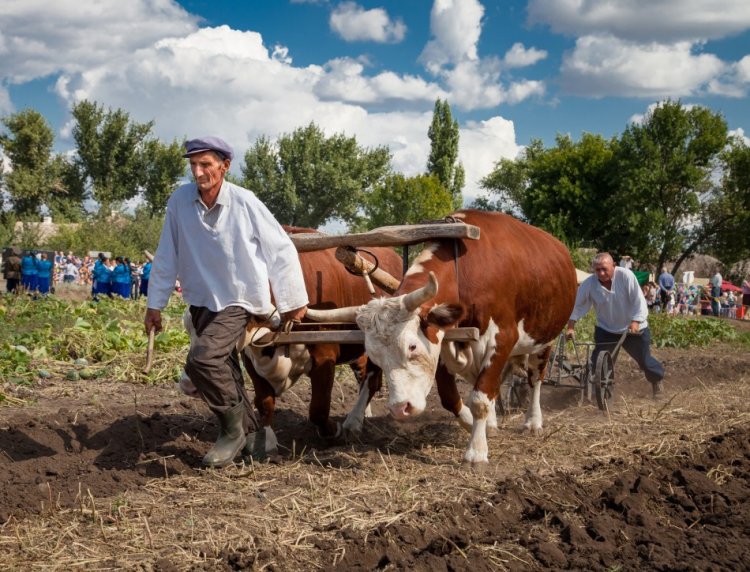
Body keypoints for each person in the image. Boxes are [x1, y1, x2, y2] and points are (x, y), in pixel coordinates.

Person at [144, 136, 308, 468]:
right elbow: (166, 254)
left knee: (201, 361)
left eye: (206, 164)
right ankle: (258, 440)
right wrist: (154, 305)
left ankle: (231, 433)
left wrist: (293, 300)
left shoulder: (245, 202)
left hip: (241, 299)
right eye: (193, 165)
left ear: (225, 166)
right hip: (202, 299)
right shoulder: (180, 202)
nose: (198, 171)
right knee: (226, 371)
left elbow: (281, 249)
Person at [566, 252, 665, 398]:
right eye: (598, 269)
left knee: (645, 361)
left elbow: (638, 300)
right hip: (607, 329)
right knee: (599, 363)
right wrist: (570, 327)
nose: (601, 273)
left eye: (604, 269)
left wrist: (635, 321)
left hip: (632, 329)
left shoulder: (626, 276)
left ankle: (657, 382)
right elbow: (578, 305)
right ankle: (600, 392)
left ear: (614, 266)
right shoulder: (590, 283)